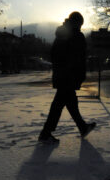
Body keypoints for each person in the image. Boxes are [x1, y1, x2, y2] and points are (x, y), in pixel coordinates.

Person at [38, 11, 96, 144]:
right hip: (69, 77)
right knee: (59, 105)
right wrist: (78, 75)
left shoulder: (61, 35)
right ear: (76, 23)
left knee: (69, 103)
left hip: (62, 75)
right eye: (80, 24)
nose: (81, 26)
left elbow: (54, 55)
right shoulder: (76, 36)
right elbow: (79, 59)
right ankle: (46, 133)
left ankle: (82, 127)